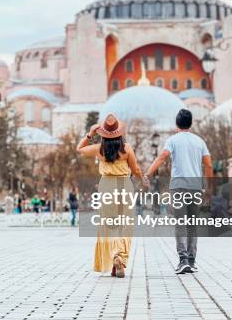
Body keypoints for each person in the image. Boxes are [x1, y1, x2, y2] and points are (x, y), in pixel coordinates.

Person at [144, 109, 212, 275]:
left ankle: (182, 260)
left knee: (180, 223)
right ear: (191, 123)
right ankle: (192, 260)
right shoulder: (199, 142)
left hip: (179, 186)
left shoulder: (173, 140)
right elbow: (208, 165)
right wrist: (208, 185)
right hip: (196, 187)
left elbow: (162, 157)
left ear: (177, 124)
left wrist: (148, 173)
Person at [77, 114, 143, 278]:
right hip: (124, 186)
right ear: (120, 133)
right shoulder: (126, 149)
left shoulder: (99, 149)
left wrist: (90, 134)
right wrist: (143, 179)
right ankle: (120, 257)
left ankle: (114, 256)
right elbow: (136, 170)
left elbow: (80, 149)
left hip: (106, 186)